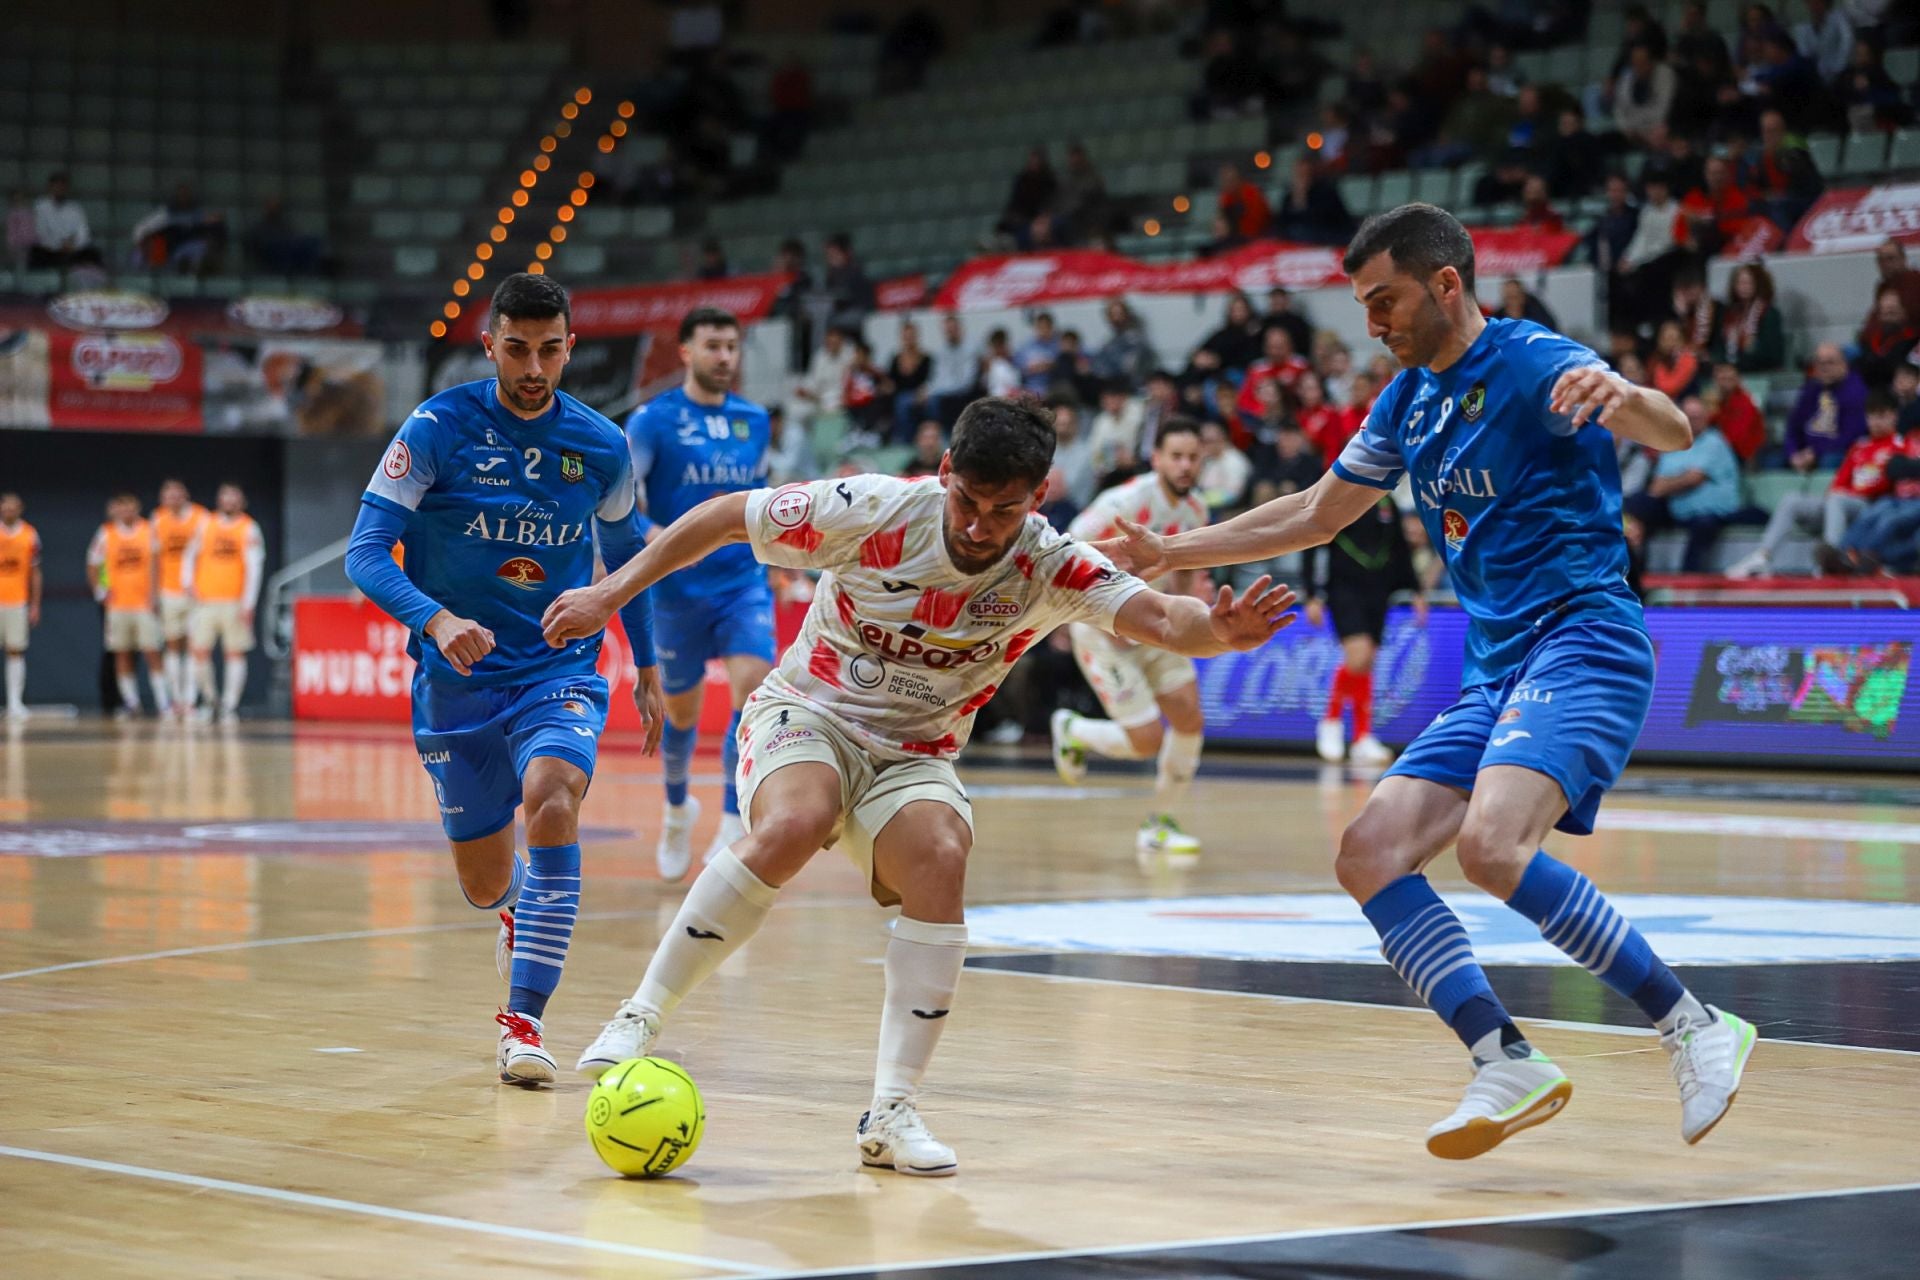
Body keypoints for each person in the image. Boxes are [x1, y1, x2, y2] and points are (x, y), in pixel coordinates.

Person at [1097, 204, 1756, 1160]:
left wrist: (1617, 391)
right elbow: (1320, 513)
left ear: (1446, 283)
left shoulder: (1532, 360)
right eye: (1363, 305)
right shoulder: (1408, 399)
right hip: (1495, 668)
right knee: (1368, 853)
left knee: (1492, 847)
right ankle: (1505, 1059)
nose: (1373, 322)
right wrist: (1173, 549)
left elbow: (1674, 427)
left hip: (1584, 641)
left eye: (1386, 300)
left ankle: (1693, 1023)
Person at [545, 396, 1295, 1174]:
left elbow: (1168, 620)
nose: (978, 526)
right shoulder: (873, 509)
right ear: (945, 474)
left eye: (1002, 511)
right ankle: (640, 1014)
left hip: (915, 754)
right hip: (807, 713)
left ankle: (892, 1112)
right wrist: (610, 594)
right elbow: (728, 514)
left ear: (1039, 497)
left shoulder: (1050, 562)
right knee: (797, 820)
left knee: (943, 855)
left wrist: (1220, 633)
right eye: (966, 501)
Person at [343, 273, 664, 1086]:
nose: (533, 366)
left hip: (557, 670)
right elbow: (365, 552)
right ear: (489, 345)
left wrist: (651, 667)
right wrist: (436, 620)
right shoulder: (437, 427)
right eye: (516, 348)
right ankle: (516, 908)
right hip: (457, 681)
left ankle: (523, 1023)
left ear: (570, 349)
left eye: (549, 350)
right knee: (482, 882)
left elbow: (628, 562)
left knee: (555, 795)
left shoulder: (602, 445)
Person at [627, 307, 775, 880]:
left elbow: (759, 496)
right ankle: (675, 809)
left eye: (732, 347)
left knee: (752, 690)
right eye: (713, 346)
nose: (725, 357)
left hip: (742, 582)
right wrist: (651, 534)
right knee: (680, 712)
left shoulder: (756, 420)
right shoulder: (653, 421)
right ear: (686, 351)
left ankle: (733, 821)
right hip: (676, 591)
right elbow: (620, 501)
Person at [1051, 419, 1213, 865]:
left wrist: (1194, 607)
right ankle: (1073, 730)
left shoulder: (1196, 510)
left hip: (1157, 625)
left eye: (1192, 457)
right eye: (1175, 456)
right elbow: (1069, 547)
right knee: (1145, 739)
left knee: (1189, 717)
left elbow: (1184, 572)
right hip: (1104, 629)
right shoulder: (1124, 502)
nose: (1184, 465)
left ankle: (1160, 823)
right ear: (1156, 458)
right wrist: (1090, 614)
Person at [1306, 491, 1426, 766]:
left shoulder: (1387, 503)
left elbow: (1400, 547)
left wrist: (1416, 589)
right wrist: (1313, 592)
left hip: (1378, 590)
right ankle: (1331, 721)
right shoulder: (1339, 499)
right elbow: (1312, 544)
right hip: (1343, 589)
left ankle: (1362, 737)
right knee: (1357, 656)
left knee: (1368, 662)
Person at [1727, 391, 1902, 578]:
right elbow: (1840, 480)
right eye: (1872, 416)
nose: (1876, 422)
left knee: (1837, 500)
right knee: (1792, 500)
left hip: (1871, 508)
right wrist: (1834, 495)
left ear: (1894, 416)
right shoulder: (1860, 446)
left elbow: (1893, 486)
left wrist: (1844, 495)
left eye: (1882, 416)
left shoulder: (1899, 445)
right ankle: (1763, 557)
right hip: (1842, 504)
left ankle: (1828, 562)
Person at [1623, 396, 1744, 571]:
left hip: (1710, 512)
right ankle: (1635, 568)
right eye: (1691, 417)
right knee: (1637, 503)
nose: (1695, 421)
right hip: (1677, 508)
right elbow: (1657, 487)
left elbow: (1694, 478)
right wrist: (1682, 479)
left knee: (1704, 525)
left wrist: (1674, 482)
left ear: (1706, 417)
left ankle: (1688, 577)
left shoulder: (1715, 442)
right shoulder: (1673, 443)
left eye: (1699, 416)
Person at [181, 485, 265, 723]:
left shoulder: (249, 527)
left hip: (234, 602)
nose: (229, 501)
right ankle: (210, 698)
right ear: (219, 500)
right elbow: (189, 555)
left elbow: (254, 569)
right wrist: (188, 583)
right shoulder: (206, 523)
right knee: (199, 651)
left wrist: (248, 603)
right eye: (225, 497)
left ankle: (230, 703)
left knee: (235, 652)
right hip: (205, 601)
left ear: (242, 502)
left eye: (234, 498)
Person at [87, 494, 171, 719]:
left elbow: (156, 565)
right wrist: (100, 591)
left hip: (143, 604)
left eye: (131, 508)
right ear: (116, 510)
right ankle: (131, 702)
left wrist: (154, 596)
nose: (127, 512)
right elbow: (93, 563)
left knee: (151, 650)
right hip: (118, 604)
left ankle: (163, 702)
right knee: (121, 652)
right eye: (122, 508)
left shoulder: (148, 530)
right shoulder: (106, 532)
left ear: (138, 508)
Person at [151, 479, 208, 715]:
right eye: (168, 495)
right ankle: (176, 699)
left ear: (185, 494)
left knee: (195, 646)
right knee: (172, 646)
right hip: (168, 591)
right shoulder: (158, 518)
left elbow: (206, 555)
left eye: (176, 494)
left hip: (196, 592)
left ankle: (191, 699)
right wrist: (153, 592)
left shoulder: (201, 517)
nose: (172, 499)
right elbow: (154, 559)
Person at [1784, 342, 1869, 470]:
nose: (1824, 368)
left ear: (1844, 364)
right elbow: (1793, 427)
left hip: (1837, 452)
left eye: (1830, 362)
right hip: (1808, 452)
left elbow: (1850, 436)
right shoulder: (1811, 389)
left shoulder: (1856, 391)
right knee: (1773, 461)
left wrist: (1815, 453)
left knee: (1829, 460)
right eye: (1820, 363)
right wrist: (1793, 453)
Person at [0, 493, 41, 719]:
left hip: (17, 600)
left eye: (13, 506)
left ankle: (15, 702)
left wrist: (34, 604)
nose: (8, 510)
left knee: (15, 650)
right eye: (5, 506)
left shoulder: (29, 534)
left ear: (20, 508)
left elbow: (35, 572)